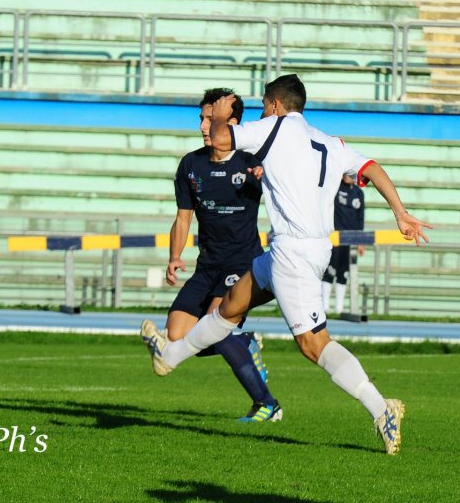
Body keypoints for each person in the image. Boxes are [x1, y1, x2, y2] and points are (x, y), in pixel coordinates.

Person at [141, 74, 431, 455]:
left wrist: (222, 115)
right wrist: (400, 212)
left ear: (275, 105)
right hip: (301, 250)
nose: (262, 113)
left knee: (314, 345)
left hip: (293, 255)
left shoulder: (274, 128)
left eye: (264, 106)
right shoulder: (328, 141)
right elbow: (372, 167)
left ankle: (382, 409)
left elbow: (222, 139)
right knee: (230, 305)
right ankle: (169, 355)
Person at [166, 87, 280, 422]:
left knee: (213, 325)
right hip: (206, 266)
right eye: (201, 119)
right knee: (176, 336)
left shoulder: (252, 161)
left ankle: (267, 404)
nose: (204, 126)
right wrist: (174, 257)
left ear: (232, 125)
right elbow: (183, 217)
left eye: (210, 119)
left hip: (242, 264)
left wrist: (266, 175)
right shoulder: (191, 164)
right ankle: (245, 342)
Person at [321, 173, 365, 314]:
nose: (349, 176)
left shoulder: (358, 193)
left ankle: (339, 308)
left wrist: (360, 240)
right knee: (329, 270)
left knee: (344, 272)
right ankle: (325, 306)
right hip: (334, 236)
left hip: (350, 238)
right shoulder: (335, 188)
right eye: (347, 173)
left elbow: (360, 218)